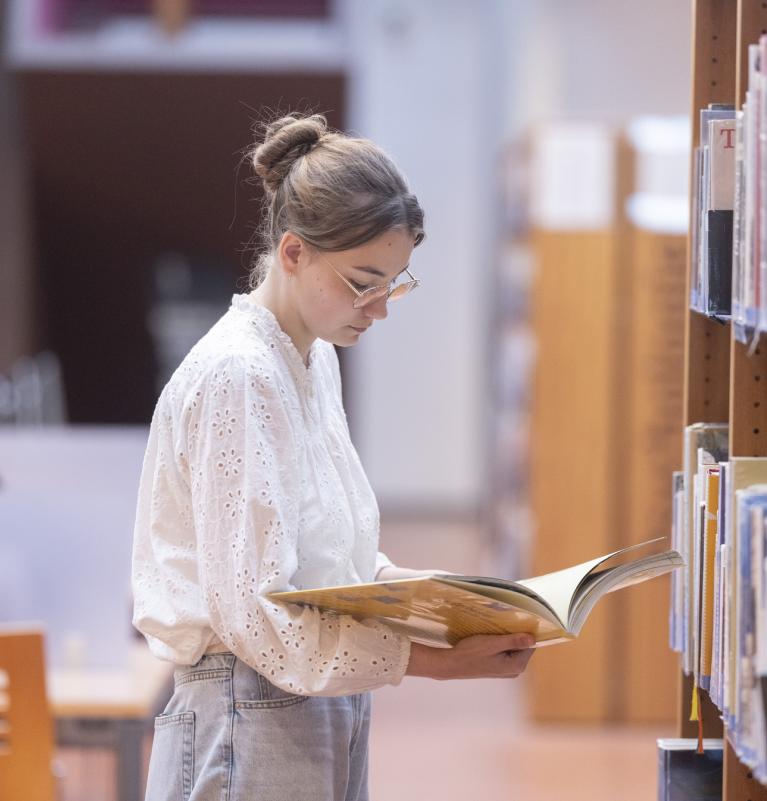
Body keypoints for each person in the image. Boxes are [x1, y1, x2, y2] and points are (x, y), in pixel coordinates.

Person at [131, 113, 535, 801]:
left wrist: (449, 599)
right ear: (293, 253)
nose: (379, 308)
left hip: (311, 704)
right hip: (247, 711)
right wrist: (433, 660)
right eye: (361, 281)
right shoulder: (240, 375)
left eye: (395, 283)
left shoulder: (311, 359)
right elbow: (255, 617)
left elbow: (323, 553)